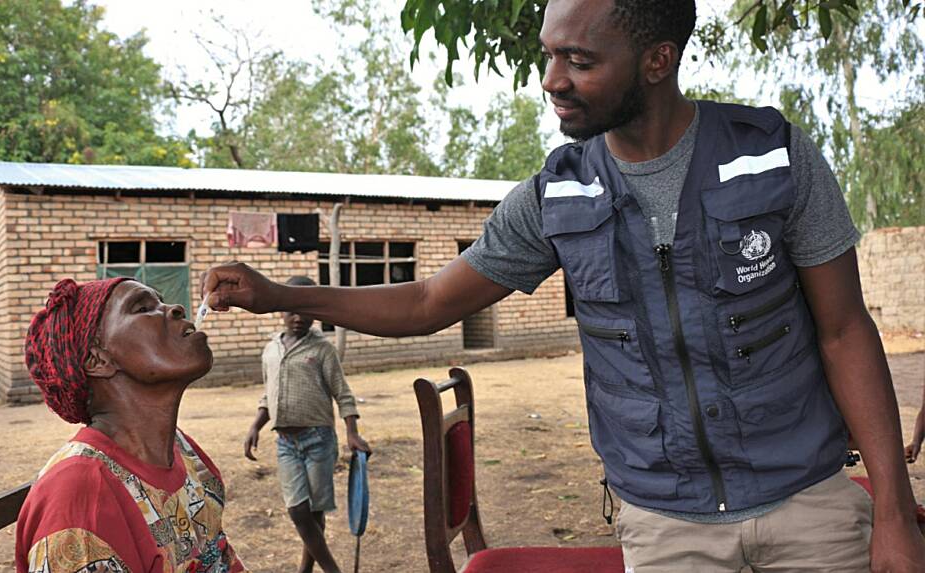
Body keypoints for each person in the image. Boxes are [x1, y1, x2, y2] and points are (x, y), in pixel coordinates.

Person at [199, 0, 925, 570]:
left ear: (656, 60)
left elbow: (844, 329)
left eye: (578, 60)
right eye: (550, 54)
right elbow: (426, 303)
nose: (551, 80)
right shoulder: (556, 197)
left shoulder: (773, 159)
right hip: (666, 524)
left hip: (809, 503)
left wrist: (892, 506)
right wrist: (282, 294)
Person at [16, 277, 248, 573]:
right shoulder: (80, 501)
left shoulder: (181, 449)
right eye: (142, 308)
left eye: (161, 301)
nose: (175, 308)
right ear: (97, 360)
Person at [243, 275, 370, 573]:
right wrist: (255, 426)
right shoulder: (271, 349)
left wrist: (352, 432)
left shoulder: (323, 349)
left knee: (313, 511)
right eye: (292, 311)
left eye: (306, 311)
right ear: (281, 310)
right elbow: (268, 393)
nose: (299, 318)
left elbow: (343, 393)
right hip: (285, 442)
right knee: (297, 509)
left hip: (318, 440)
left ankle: (305, 569)